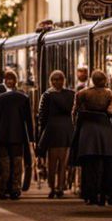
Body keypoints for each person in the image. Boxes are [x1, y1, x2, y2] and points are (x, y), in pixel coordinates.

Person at [72, 69, 112, 206]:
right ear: (104, 80)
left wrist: (77, 126)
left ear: (92, 80)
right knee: (108, 165)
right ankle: (106, 194)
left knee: (89, 166)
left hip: (88, 132)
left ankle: (90, 194)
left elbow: (75, 112)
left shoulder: (82, 93)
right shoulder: (110, 94)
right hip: (105, 131)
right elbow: (111, 110)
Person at [0, 70, 33, 200]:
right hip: (18, 135)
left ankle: (3, 189)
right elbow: (28, 119)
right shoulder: (23, 97)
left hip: (2, 135)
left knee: (4, 163)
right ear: (16, 81)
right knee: (17, 163)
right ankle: (15, 188)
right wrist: (31, 137)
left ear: (4, 82)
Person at [36, 70, 75, 198]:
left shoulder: (47, 95)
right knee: (63, 163)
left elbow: (42, 116)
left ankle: (52, 187)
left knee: (51, 162)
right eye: (55, 79)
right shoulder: (71, 95)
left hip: (52, 131)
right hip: (66, 131)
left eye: (57, 79)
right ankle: (60, 188)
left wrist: (41, 135)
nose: (56, 82)